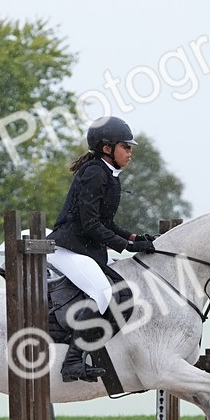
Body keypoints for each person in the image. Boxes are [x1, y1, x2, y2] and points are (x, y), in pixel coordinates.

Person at [48, 115, 156, 382]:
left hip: (84, 248)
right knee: (101, 292)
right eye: (125, 147)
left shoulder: (109, 175)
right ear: (107, 148)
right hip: (68, 248)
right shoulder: (95, 173)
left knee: (115, 291)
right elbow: (90, 224)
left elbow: (106, 223)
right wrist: (127, 246)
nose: (130, 152)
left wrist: (133, 236)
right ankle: (72, 362)